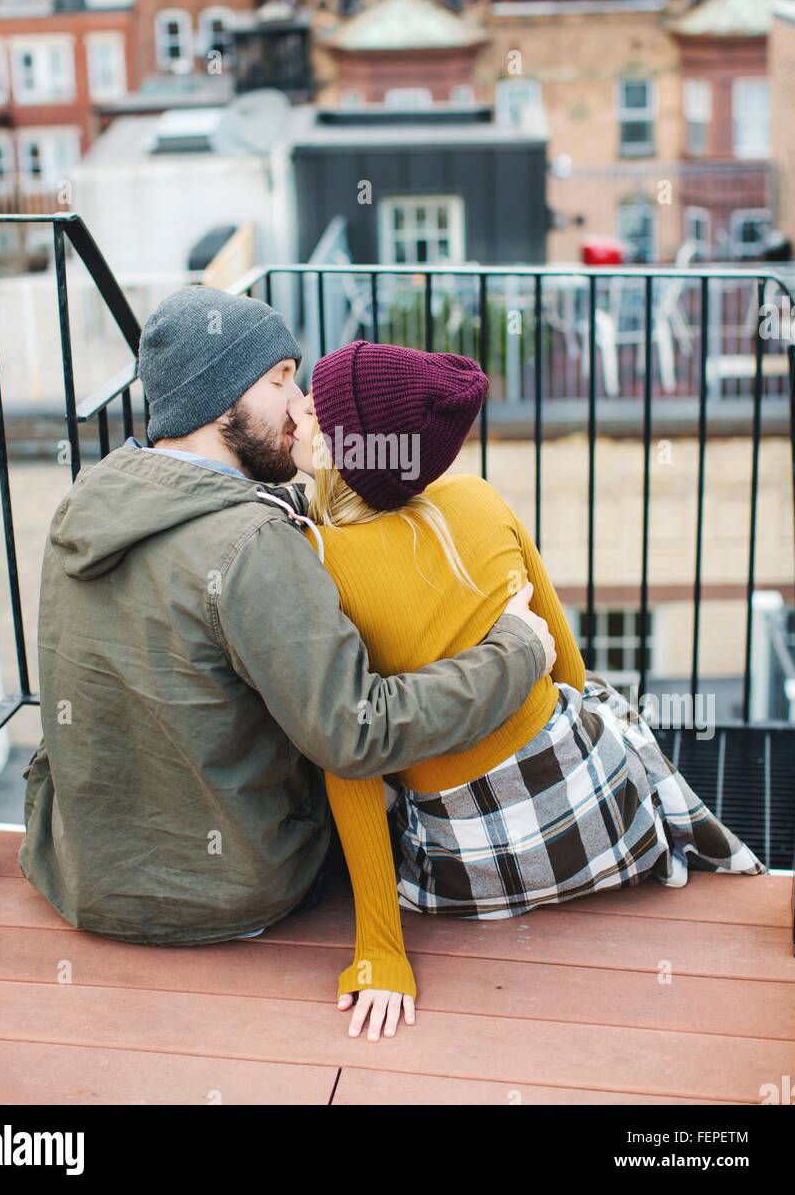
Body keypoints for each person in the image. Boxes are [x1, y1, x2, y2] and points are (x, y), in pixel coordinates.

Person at [19, 287, 555, 973]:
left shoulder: (92, 502)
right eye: (280, 381)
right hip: (230, 894)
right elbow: (358, 732)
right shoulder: (252, 546)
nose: (303, 403)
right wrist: (516, 651)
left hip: (81, 872)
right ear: (221, 404)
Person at [287, 339, 768, 1043]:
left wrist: (381, 954)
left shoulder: (316, 560)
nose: (298, 409)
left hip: (473, 863)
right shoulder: (477, 496)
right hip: (605, 811)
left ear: (351, 454)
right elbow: (566, 667)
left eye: (316, 409)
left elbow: (350, 756)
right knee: (606, 704)